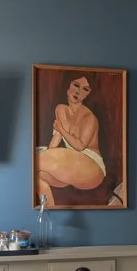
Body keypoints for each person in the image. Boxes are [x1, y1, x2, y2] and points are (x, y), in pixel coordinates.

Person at [36, 74, 106, 203]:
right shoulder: (60, 109)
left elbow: (80, 146)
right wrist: (49, 157)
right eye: (76, 85)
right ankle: (49, 211)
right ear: (67, 87)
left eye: (85, 89)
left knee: (35, 160)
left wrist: (61, 130)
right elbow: (56, 139)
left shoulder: (89, 118)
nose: (78, 92)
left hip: (91, 167)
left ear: (87, 95)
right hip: (70, 164)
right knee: (37, 176)